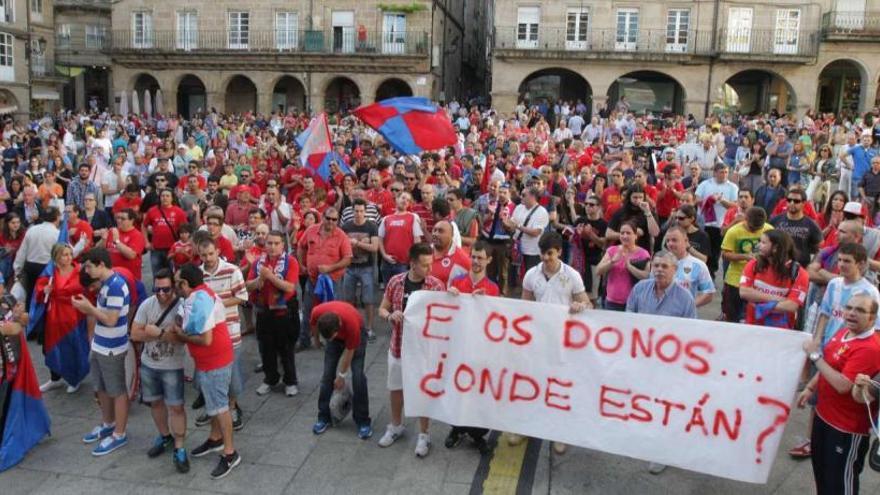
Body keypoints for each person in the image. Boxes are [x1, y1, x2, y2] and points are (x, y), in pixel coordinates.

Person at [514, 232, 590, 455]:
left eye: (549, 253)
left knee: (559, 387)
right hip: (537, 341)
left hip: (563, 342)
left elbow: (587, 303)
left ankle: (559, 433)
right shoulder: (531, 274)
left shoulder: (572, 275)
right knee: (531, 384)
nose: (545, 258)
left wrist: (581, 307)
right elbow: (524, 305)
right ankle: (525, 428)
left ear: (558, 251)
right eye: (542, 253)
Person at [798, 293, 880, 494]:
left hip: (846, 430)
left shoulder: (870, 348)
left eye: (860, 310)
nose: (851, 313)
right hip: (824, 416)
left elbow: (843, 385)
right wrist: (811, 387)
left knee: (840, 483)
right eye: (849, 308)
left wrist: (814, 356)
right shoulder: (844, 331)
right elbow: (830, 363)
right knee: (822, 474)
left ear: (872, 318)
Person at [171, 263, 240, 480]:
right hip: (212, 358)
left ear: (185, 283)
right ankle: (215, 438)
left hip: (215, 359)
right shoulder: (199, 294)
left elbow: (205, 339)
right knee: (213, 402)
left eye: (176, 283)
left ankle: (230, 453)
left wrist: (180, 334)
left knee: (220, 406)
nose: (174, 287)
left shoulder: (199, 300)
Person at [377, 242, 445, 457]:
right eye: (425, 265)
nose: (430, 269)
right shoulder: (396, 282)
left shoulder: (435, 285)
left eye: (431, 264)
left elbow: (445, 314)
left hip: (424, 351)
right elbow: (382, 308)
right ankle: (396, 425)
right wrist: (389, 316)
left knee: (423, 391)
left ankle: (424, 435)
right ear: (413, 264)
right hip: (397, 347)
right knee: (396, 389)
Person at [71, 248, 131, 456]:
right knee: (101, 387)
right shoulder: (106, 284)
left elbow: (111, 320)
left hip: (113, 348)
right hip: (100, 344)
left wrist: (88, 308)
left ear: (101, 265)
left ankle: (119, 433)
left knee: (117, 390)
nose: (86, 270)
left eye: (88, 266)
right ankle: (108, 423)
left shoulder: (115, 286)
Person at [129, 268, 188, 473]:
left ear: (174, 287)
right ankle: (165, 436)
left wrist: (157, 332)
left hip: (173, 366)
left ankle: (179, 447)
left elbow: (182, 338)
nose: (161, 294)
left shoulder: (181, 307)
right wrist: (160, 334)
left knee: (176, 407)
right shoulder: (147, 304)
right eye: (157, 289)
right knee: (155, 403)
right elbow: (135, 334)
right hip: (149, 364)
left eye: (166, 290)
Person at [443, 240, 498, 455]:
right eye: (473, 256)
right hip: (458, 349)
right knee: (457, 391)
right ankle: (456, 429)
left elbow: (497, 321)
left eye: (480, 258)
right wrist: (450, 297)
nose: (475, 261)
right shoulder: (457, 282)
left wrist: (488, 304)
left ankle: (477, 434)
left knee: (479, 394)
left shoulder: (492, 288)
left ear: (489, 260)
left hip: (481, 352)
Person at [197, 238, 248, 430]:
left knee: (231, 376)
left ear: (218, 251)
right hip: (208, 335)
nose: (208, 258)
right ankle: (213, 409)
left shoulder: (232, 270)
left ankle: (233, 407)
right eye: (203, 255)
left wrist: (215, 304)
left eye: (211, 254)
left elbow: (242, 297)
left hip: (230, 332)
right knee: (208, 375)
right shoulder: (199, 274)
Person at [246, 230, 301, 397]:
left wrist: (270, 276)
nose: (272, 247)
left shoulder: (290, 262)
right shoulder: (258, 263)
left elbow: (290, 287)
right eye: (269, 243)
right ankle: (270, 378)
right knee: (266, 348)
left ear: (283, 245)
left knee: (286, 349)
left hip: (284, 312)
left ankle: (290, 381)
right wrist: (260, 280)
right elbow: (248, 285)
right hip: (263, 311)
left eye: (276, 243)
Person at [309, 300, 372, 439]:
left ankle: (363, 421)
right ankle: (324, 417)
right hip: (334, 332)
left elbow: (350, 351)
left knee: (358, 376)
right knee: (327, 376)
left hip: (357, 335)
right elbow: (313, 325)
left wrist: (341, 376)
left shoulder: (351, 325)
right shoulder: (317, 312)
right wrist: (317, 340)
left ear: (339, 327)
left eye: (333, 336)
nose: (332, 339)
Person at [297, 207, 352, 349]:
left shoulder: (341, 236)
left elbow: (347, 259)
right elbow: (300, 246)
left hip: (333, 280)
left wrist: (330, 268)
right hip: (313, 279)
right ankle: (304, 341)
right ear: (323, 217)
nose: (331, 222)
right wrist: (301, 264)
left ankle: (335, 341)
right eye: (328, 218)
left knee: (333, 312)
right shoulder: (311, 230)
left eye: (334, 220)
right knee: (308, 309)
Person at [34, 243, 86, 393]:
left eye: (70, 253)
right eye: (65, 254)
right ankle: (55, 378)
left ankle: (75, 378)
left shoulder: (79, 270)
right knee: (51, 346)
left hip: (75, 314)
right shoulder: (50, 272)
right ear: (56, 256)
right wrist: (44, 291)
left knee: (74, 346)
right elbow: (38, 293)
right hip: (54, 314)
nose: (69, 257)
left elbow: (89, 289)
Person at [739, 230, 809, 330]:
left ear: (776, 248)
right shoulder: (754, 264)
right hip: (752, 327)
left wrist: (760, 305)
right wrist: (777, 299)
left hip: (782, 332)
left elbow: (791, 306)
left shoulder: (800, 274)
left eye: (763, 243)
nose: (759, 246)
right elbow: (744, 292)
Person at [720, 207, 773, 322]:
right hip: (735, 281)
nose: (754, 231)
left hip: (759, 282)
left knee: (754, 317)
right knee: (732, 317)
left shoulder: (769, 230)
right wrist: (745, 257)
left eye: (758, 228)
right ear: (746, 219)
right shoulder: (734, 231)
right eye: (752, 227)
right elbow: (725, 254)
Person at [340, 198, 379, 342]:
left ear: (365, 211)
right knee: (348, 299)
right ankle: (351, 326)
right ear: (352, 211)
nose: (358, 214)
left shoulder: (371, 226)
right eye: (356, 211)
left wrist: (358, 244)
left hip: (366, 268)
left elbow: (375, 248)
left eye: (361, 211)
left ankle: (368, 328)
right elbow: (341, 247)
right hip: (349, 268)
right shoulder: (346, 226)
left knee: (368, 300)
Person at [595, 222, 650, 310]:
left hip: (634, 302)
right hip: (612, 302)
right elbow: (598, 271)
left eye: (628, 233)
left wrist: (630, 267)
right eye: (622, 233)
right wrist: (612, 262)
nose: (625, 236)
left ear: (635, 236)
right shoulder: (612, 250)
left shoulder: (643, 253)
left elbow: (647, 276)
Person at [13, 206, 60, 308]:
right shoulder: (57, 234)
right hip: (46, 269)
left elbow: (22, 252)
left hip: (31, 267)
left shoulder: (32, 230)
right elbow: (66, 252)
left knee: (31, 296)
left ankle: (29, 317)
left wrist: (17, 269)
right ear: (57, 218)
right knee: (44, 297)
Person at [770, 186, 822, 267]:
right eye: (789, 200)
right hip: (777, 265)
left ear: (804, 203)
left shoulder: (811, 225)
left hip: (800, 268)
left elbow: (819, 248)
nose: (792, 203)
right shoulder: (775, 221)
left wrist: (811, 265)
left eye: (796, 201)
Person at [663, 226, 714, 307]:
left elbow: (708, 293)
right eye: (667, 240)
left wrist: (689, 306)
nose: (670, 244)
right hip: (662, 315)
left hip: (685, 317)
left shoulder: (698, 265)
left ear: (686, 241)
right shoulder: (659, 263)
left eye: (674, 240)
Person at [506, 186, 549, 274]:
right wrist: (504, 222)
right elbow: (511, 226)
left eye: (523, 195)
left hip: (532, 252)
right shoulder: (519, 207)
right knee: (512, 278)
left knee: (531, 277)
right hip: (516, 249)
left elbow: (536, 232)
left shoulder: (542, 212)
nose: (521, 197)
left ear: (532, 197)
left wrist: (518, 225)